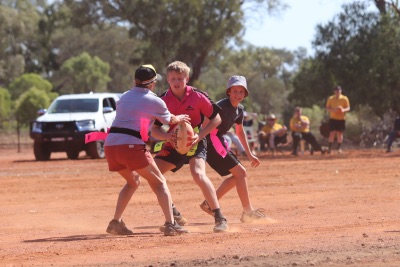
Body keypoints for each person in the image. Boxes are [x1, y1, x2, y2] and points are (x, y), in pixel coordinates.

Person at [103, 64, 189, 236]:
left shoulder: (125, 96)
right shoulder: (154, 100)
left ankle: (115, 223)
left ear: (135, 81)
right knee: (159, 183)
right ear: (152, 83)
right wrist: (179, 117)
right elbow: (169, 120)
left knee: (133, 181)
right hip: (131, 146)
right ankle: (170, 224)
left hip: (111, 146)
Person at [151, 61, 228, 233]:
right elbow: (154, 129)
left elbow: (217, 119)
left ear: (187, 78)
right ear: (168, 81)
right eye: (172, 79)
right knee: (152, 174)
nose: (176, 82)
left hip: (195, 140)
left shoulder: (198, 96)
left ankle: (219, 216)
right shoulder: (163, 100)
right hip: (173, 142)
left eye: (180, 78)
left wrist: (199, 136)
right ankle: (174, 213)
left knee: (198, 174)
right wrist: (166, 136)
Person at [199, 75, 267, 223]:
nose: (238, 94)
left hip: (219, 141)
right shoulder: (221, 106)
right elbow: (205, 123)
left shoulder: (240, 110)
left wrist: (250, 154)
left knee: (238, 176)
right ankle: (248, 212)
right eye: (235, 91)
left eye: (241, 91)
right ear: (228, 91)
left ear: (245, 94)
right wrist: (199, 140)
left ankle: (209, 203)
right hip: (211, 141)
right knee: (241, 173)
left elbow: (240, 132)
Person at [326, 85, 350, 154]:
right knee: (332, 133)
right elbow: (327, 107)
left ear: (341, 91)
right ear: (334, 91)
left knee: (340, 133)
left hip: (341, 118)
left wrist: (343, 110)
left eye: (339, 90)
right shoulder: (330, 98)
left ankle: (339, 148)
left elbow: (348, 108)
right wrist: (333, 110)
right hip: (333, 118)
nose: (337, 92)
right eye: (336, 90)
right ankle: (329, 148)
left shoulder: (344, 98)